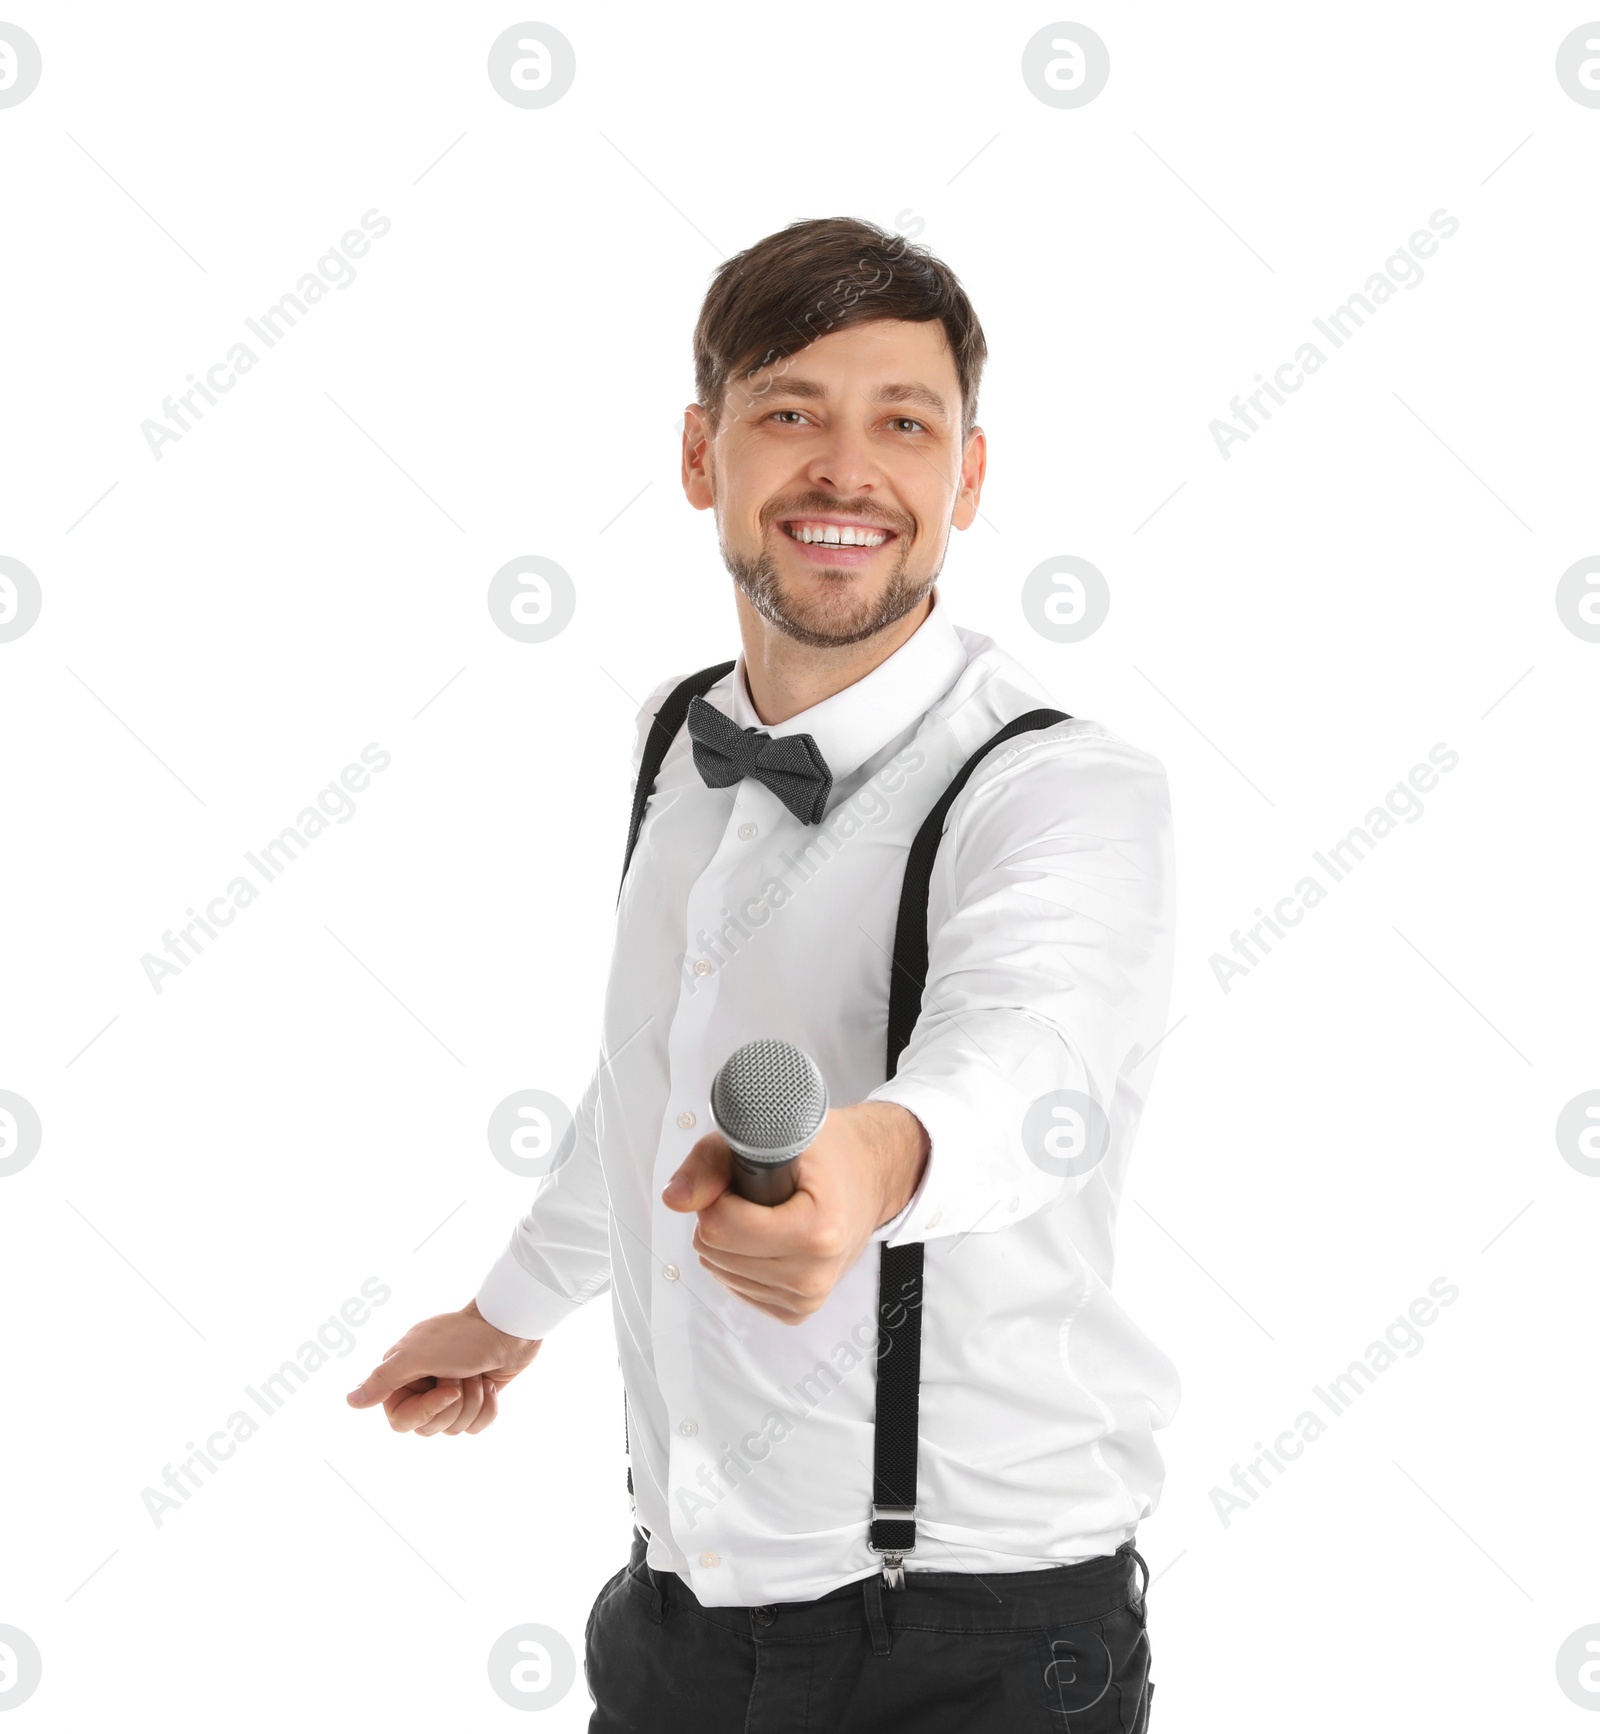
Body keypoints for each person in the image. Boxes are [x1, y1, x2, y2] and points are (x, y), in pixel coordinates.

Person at [348, 215, 1177, 1731]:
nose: (846, 470)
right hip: (676, 1626)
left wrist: (860, 1171)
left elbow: (1026, 1065)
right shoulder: (680, 734)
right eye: (791, 412)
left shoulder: (1062, 790)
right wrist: (515, 1305)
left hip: (978, 1644)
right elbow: (653, 1072)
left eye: (904, 424)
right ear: (698, 454)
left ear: (967, 480)